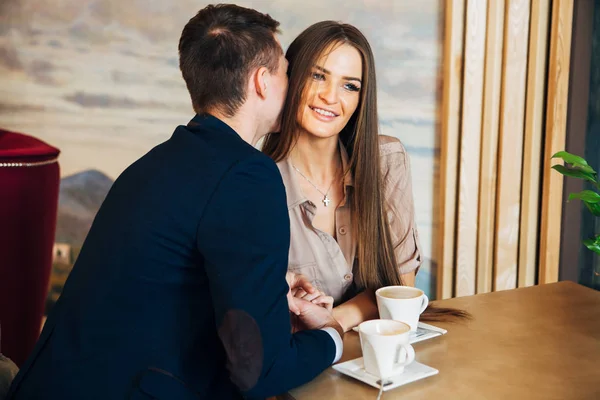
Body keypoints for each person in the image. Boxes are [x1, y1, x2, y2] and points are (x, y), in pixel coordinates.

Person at [7, 6, 344, 400]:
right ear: (262, 82)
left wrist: (270, 290)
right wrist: (331, 335)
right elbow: (259, 372)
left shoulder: (152, 164)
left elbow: (160, 282)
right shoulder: (248, 175)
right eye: (287, 72)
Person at [263, 21, 468, 333]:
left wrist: (334, 320)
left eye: (350, 86)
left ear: (361, 98)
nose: (331, 97)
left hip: (383, 351)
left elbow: (401, 290)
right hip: (300, 365)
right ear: (291, 79)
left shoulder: (386, 162)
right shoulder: (256, 185)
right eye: (318, 76)